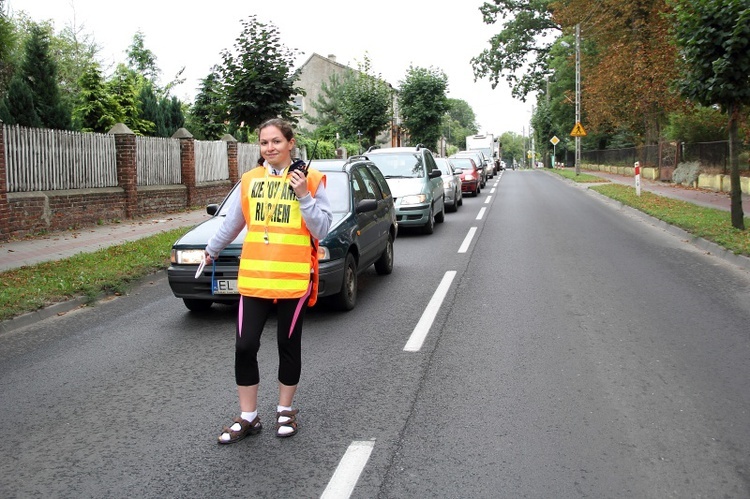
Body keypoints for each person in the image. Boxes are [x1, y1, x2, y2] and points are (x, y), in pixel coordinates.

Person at [204, 118, 332, 443]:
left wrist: (304, 196)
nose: (269, 148)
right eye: (264, 143)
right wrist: (211, 250)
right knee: (245, 346)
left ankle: (285, 411)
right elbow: (233, 222)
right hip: (255, 278)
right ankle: (249, 417)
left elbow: (323, 230)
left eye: (276, 141)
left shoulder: (311, 179)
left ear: (290, 143)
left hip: (292, 280)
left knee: (287, 345)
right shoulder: (249, 180)